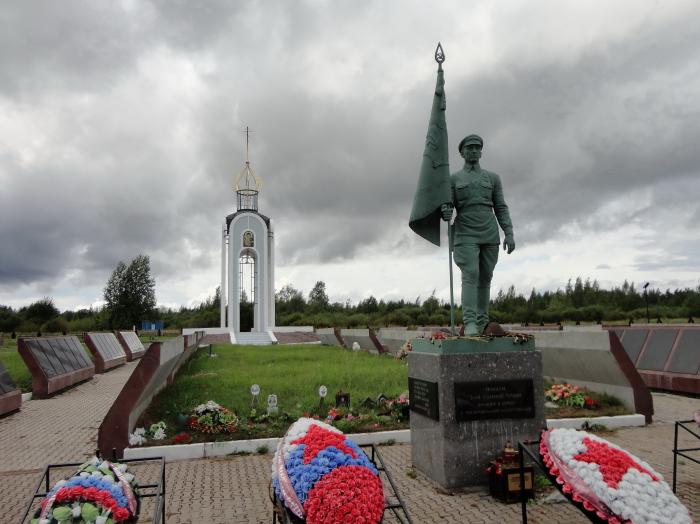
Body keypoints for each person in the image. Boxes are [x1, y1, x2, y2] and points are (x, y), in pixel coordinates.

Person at [441, 134, 515, 335]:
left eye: (477, 148)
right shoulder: (453, 179)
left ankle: (483, 321)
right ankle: (470, 322)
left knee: (486, 276)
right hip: (465, 230)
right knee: (470, 274)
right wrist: (445, 212)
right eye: (469, 148)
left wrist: (508, 232)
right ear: (462, 152)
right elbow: (447, 205)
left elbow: (500, 206)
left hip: (489, 230)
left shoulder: (492, 178)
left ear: (481, 151)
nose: (474, 151)